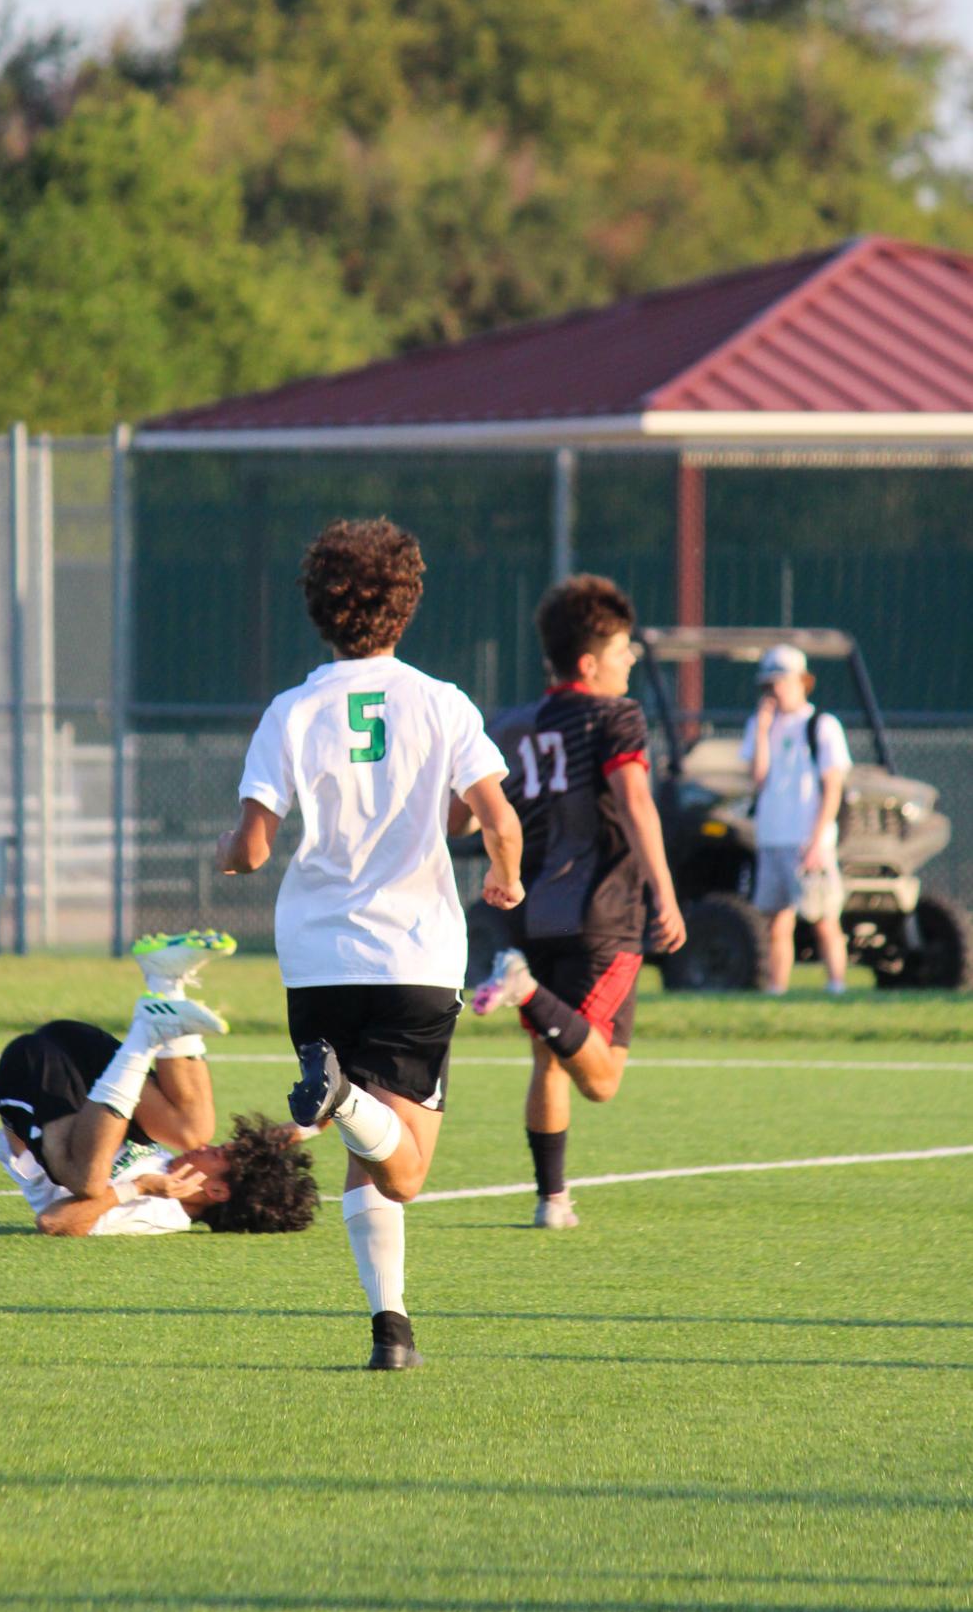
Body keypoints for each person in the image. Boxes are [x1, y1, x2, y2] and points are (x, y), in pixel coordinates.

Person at [215, 517, 523, 1370]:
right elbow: (497, 817)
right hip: (414, 954)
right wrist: (508, 877)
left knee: (370, 1152)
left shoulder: (292, 710)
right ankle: (343, 1097)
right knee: (407, 1169)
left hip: (315, 961)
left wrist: (225, 855)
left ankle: (391, 1327)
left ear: (319, 607)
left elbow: (250, 845)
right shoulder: (442, 701)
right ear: (407, 603)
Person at [470, 573, 686, 1228]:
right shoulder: (615, 716)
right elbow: (636, 803)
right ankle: (525, 988)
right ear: (589, 662)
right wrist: (666, 895)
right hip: (604, 914)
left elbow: (462, 813)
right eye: (623, 649)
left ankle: (552, 1200)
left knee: (550, 1057)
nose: (631, 661)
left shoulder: (513, 724)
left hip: (533, 915)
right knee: (601, 1078)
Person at [0, 941, 319, 1237]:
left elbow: (52, 1223)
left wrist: (140, 1187)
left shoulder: (163, 1212)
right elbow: (256, 1150)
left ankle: (147, 1034)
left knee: (88, 1182)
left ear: (218, 1192)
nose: (209, 1148)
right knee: (193, 1130)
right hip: (74, 1051)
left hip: (32, 1082)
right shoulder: (192, 1169)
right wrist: (320, 1121)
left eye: (218, 1154)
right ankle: (165, 981)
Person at [740, 643, 852, 995]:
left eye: (781, 682)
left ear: (801, 681)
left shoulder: (821, 725)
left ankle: (837, 986)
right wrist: (761, 730)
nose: (775, 690)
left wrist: (818, 840)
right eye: (769, 684)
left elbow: (832, 786)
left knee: (822, 918)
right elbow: (757, 777)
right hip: (772, 836)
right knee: (777, 923)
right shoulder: (761, 726)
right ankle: (777, 989)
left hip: (807, 840)